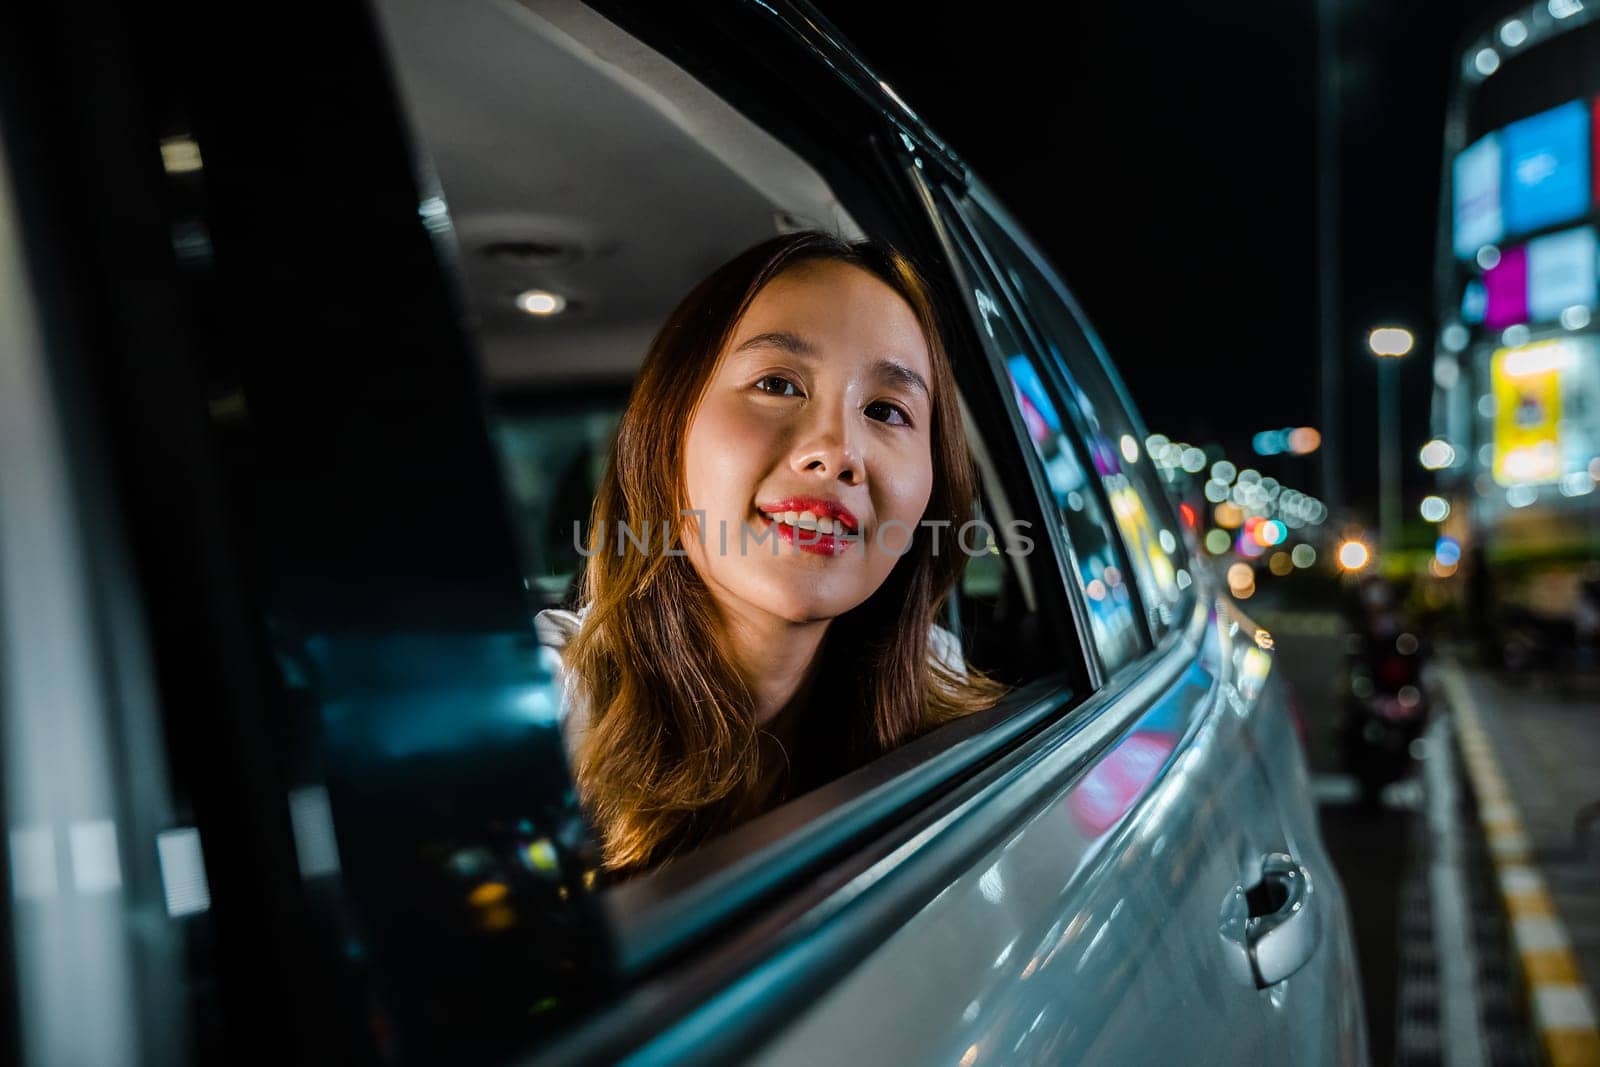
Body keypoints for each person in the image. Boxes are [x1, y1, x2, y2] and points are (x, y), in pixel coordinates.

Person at [535, 231, 1005, 875]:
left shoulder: (936, 680)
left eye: (887, 410)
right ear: (665, 433)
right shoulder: (544, 706)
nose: (838, 450)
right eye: (778, 384)